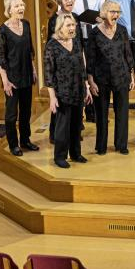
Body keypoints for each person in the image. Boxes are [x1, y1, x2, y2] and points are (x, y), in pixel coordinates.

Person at [86, 0, 134, 155]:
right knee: (101, 113)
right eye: (113, 11)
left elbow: (128, 54)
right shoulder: (94, 33)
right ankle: (101, 146)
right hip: (101, 79)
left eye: (118, 12)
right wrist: (91, 80)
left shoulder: (122, 30)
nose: (116, 15)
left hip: (121, 76)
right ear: (104, 12)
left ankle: (121, 145)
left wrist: (131, 74)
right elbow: (90, 58)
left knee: (122, 112)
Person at [44, 13, 92, 168]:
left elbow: (82, 66)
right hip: (62, 93)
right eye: (68, 26)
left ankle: (76, 154)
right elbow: (49, 74)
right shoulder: (52, 45)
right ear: (60, 28)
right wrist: (52, 98)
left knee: (76, 124)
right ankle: (60, 156)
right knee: (62, 127)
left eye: (73, 25)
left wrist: (87, 87)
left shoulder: (76, 42)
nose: (72, 28)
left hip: (78, 89)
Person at [0, 0, 39, 157]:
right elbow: (0, 58)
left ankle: (25, 140)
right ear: (9, 10)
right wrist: (5, 81)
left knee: (26, 111)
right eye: (16, 6)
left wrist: (33, 69)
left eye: (22, 5)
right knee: (11, 114)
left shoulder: (26, 25)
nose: (21, 8)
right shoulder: (2, 30)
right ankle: (13, 144)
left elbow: (30, 51)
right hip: (12, 78)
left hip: (27, 74)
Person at [47, 0, 84, 143]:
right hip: (61, 68)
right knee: (60, 105)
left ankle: (74, 133)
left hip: (75, 65)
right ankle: (56, 135)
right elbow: (52, 48)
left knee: (75, 105)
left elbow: (79, 43)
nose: (70, 1)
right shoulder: (53, 20)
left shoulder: (76, 17)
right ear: (59, 1)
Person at [72, 0, 105, 123]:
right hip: (76, 39)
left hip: (94, 39)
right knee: (80, 74)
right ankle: (79, 114)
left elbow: (103, 13)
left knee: (95, 73)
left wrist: (99, 17)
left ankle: (94, 113)